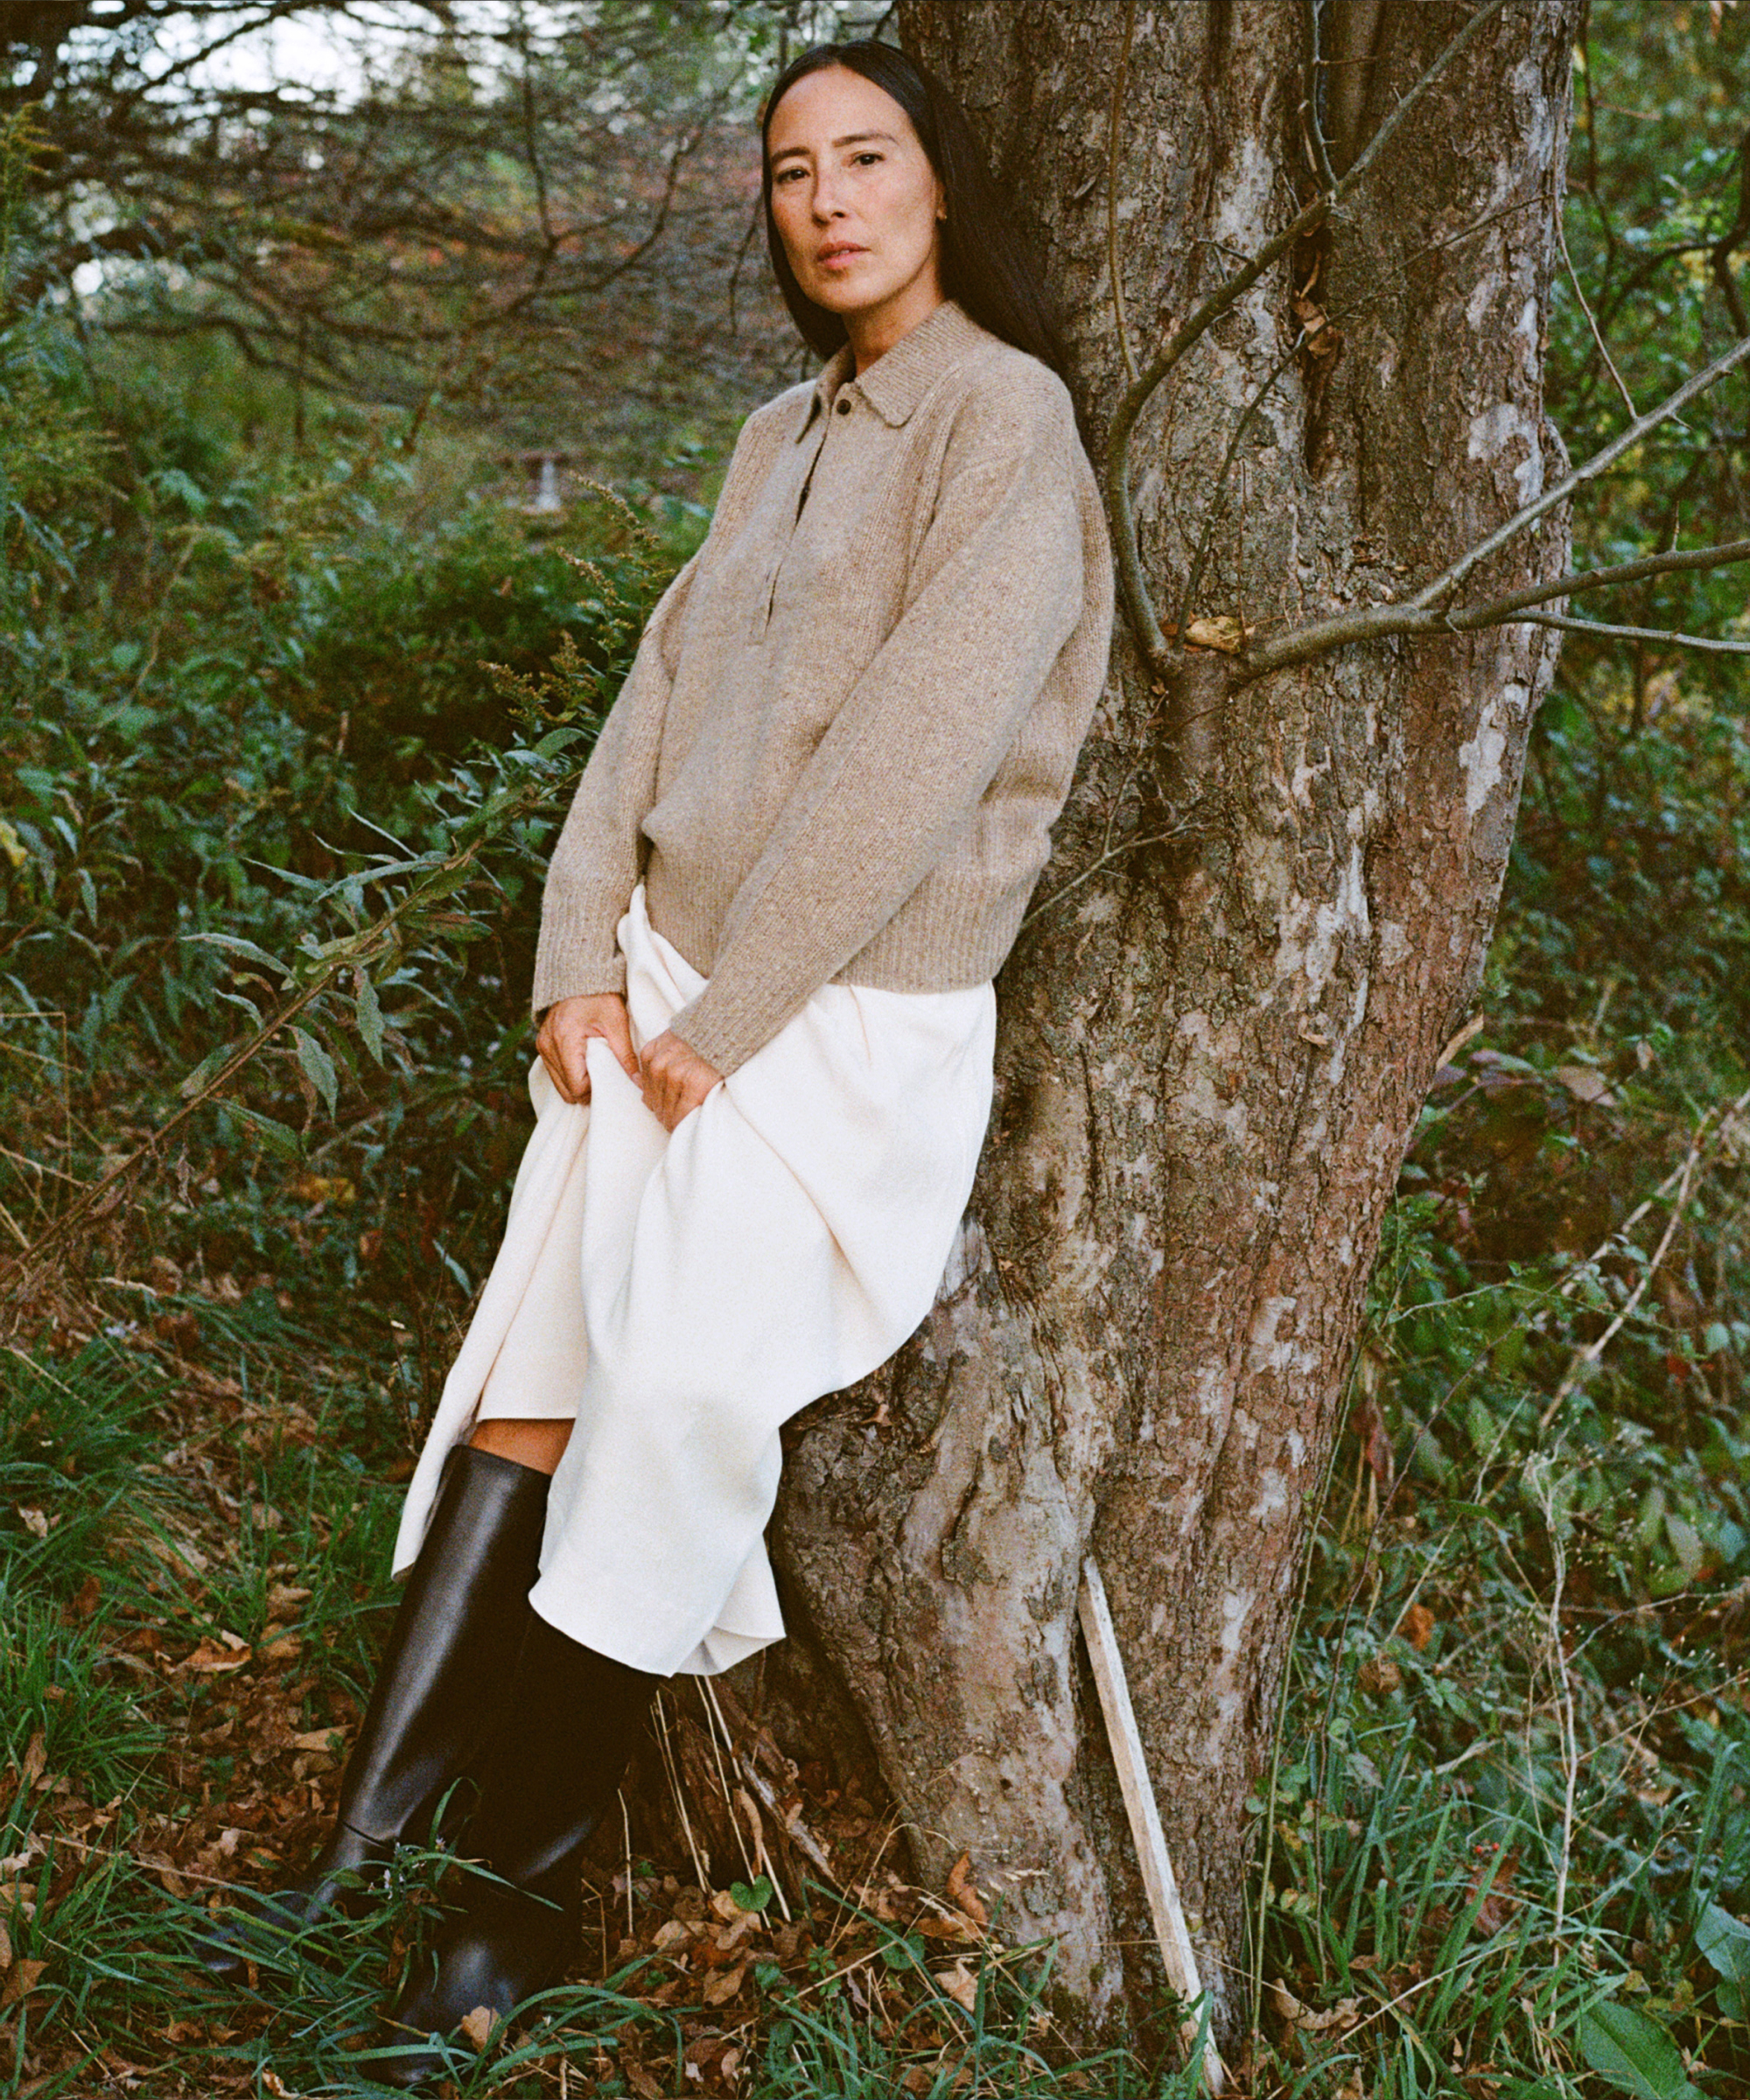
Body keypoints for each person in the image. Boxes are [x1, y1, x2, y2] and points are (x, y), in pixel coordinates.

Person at [192, 34, 1114, 2088]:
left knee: (678, 1398)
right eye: (792, 170)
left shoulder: (1003, 420)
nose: (829, 199)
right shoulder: (777, 431)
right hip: (672, 995)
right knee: (531, 1392)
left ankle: (505, 1905)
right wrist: (573, 965)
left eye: (866, 158)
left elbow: (915, 760)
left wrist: (729, 1011)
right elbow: (652, 693)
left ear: (938, 185)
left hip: (842, 1023)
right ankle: (355, 1868)